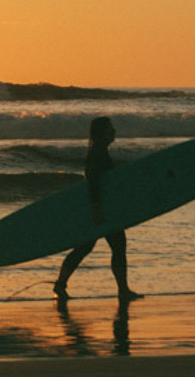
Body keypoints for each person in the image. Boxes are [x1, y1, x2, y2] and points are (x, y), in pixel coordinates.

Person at [53, 116, 142, 302]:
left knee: (85, 247)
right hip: (101, 208)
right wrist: (97, 208)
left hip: (100, 207)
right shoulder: (98, 153)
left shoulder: (98, 151)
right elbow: (93, 182)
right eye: (110, 129)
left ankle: (60, 285)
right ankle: (123, 291)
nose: (114, 131)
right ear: (102, 132)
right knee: (116, 247)